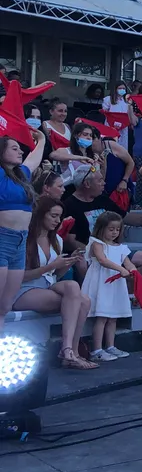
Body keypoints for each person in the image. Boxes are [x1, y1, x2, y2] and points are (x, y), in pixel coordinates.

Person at [14, 197, 93, 368]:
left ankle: (71, 351)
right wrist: (50, 266)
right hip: (23, 289)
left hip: (48, 284)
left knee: (81, 296)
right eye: (53, 216)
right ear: (41, 215)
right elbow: (19, 276)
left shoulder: (57, 239)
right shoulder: (25, 238)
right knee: (78, 301)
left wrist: (68, 263)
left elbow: (55, 274)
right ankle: (67, 351)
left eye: (59, 216)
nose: (58, 221)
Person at [61, 163, 142, 281]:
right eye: (100, 180)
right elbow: (70, 242)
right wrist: (99, 252)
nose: (104, 183)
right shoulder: (69, 206)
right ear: (87, 184)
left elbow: (124, 217)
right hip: (87, 253)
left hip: (112, 249)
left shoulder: (102, 199)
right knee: (82, 264)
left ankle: (128, 294)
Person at [0, 131, 48, 332]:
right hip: (2, 239)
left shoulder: (21, 175)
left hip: (20, 242)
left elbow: (33, 161)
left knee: (4, 306)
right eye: (14, 148)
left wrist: (42, 139)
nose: (20, 151)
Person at [81, 211, 137, 362]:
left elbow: (128, 263)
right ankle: (97, 349)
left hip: (115, 285)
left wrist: (133, 271)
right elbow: (102, 260)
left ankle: (110, 346)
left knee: (113, 318)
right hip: (101, 283)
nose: (114, 232)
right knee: (102, 317)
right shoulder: (96, 243)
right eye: (111, 229)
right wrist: (120, 269)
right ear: (101, 228)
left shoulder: (121, 247)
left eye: (117, 229)